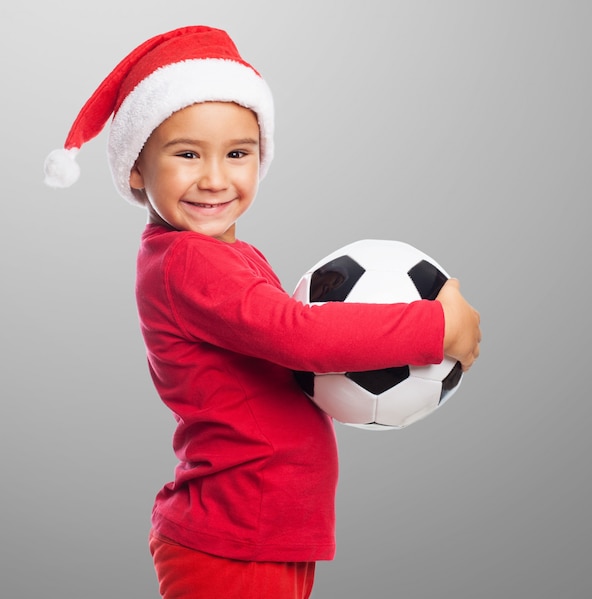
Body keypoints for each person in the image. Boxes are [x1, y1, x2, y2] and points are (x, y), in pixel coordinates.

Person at [44, 25, 481, 599]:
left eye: (237, 154)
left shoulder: (217, 255)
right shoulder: (188, 264)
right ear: (135, 167)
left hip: (266, 532)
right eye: (186, 154)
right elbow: (300, 337)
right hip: (231, 540)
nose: (215, 178)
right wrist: (435, 326)